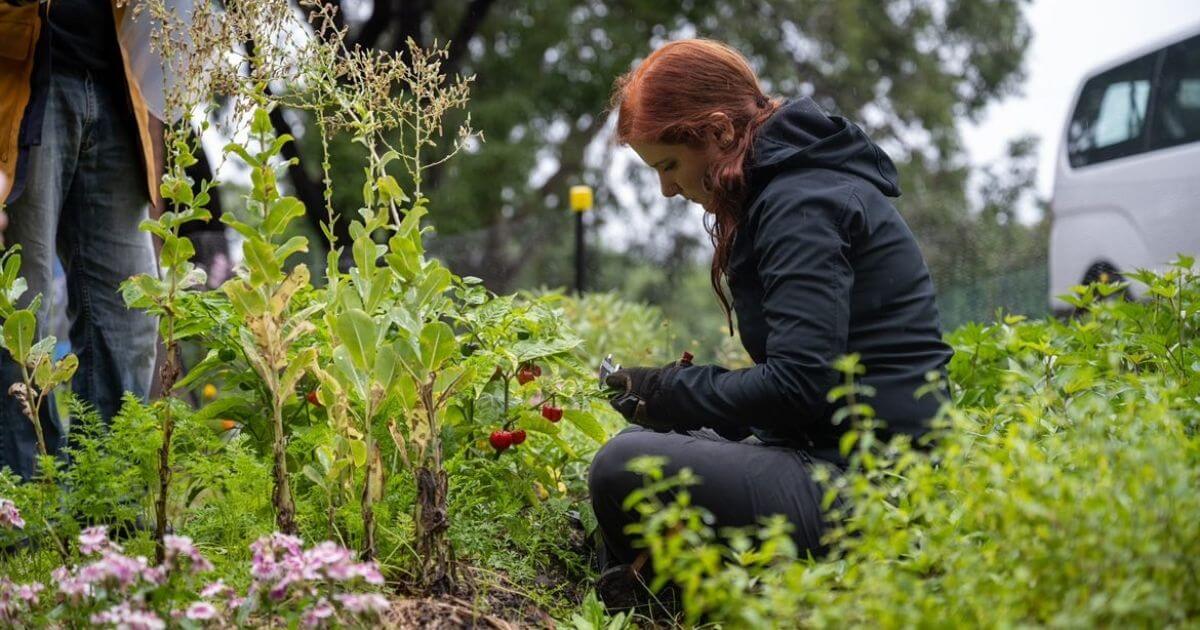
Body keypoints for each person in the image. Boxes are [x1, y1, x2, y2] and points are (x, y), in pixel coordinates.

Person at [588, 39, 955, 609]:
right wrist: (667, 408)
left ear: (717, 132)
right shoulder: (787, 189)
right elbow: (809, 393)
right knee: (643, 442)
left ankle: (666, 603)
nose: (666, 189)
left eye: (668, 165)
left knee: (622, 466)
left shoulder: (800, 204)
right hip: (828, 454)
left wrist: (669, 389)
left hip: (879, 490)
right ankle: (659, 585)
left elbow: (796, 386)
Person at [0, 0, 160, 479]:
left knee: (130, 316)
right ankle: (21, 519)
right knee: (18, 316)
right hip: (18, 80)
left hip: (115, 83)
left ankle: (111, 522)